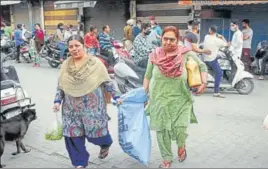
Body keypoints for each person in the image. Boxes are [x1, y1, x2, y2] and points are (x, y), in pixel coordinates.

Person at [143, 26, 208, 168]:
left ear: (177, 40)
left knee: (180, 129)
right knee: (162, 131)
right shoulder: (153, 55)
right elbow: (147, 76)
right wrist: (143, 95)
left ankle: (181, 145)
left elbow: (202, 66)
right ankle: (166, 159)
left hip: (181, 99)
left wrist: (204, 82)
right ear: (161, 39)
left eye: (172, 39)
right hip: (159, 100)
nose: (168, 42)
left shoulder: (186, 54)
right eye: (165, 39)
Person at [53, 35, 120, 168]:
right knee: (73, 136)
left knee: (97, 135)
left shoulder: (95, 63)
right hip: (70, 109)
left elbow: (107, 81)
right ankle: (80, 163)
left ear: (83, 46)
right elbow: (61, 85)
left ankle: (105, 144)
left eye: (77, 45)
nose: (74, 49)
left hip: (93, 108)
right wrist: (57, 101)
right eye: (71, 46)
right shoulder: (66, 65)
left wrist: (116, 96)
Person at [203, 25, 227, 98]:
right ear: (216, 31)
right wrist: (222, 37)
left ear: (210, 30)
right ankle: (216, 92)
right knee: (219, 73)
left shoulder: (206, 37)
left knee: (218, 60)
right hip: (211, 60)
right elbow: (226, 45)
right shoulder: (218, 41)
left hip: (206, 58)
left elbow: (212, 36)